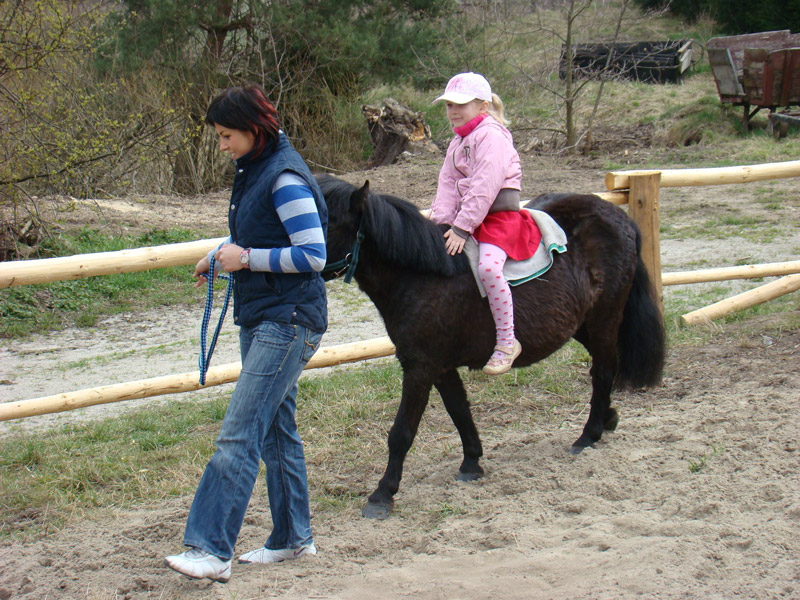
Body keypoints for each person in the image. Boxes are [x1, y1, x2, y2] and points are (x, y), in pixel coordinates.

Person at [164, 84, 328, 583]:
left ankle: (211, 549)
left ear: (254, 130)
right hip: (267, 316)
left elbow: (313, 255)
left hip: (287, 321)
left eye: (226, 136)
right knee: (276, 431)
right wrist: (218, 255)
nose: (222, 146)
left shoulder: (284, 178)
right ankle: (293, 538)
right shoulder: (258, 168)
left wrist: (246, 259)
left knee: (239, 434)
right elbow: (256, 234)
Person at [430, 72, 541, 376]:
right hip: (470, 217)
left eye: (460, 104)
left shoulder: (492, 136)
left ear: (483, 105)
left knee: (489, 269)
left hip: (497, 218)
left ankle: (507, 341)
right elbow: (446, 185)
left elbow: (485, 184)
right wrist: (441, 224)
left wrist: (461, 227)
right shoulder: (458, 142)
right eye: (449, 105)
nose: (453, 110)